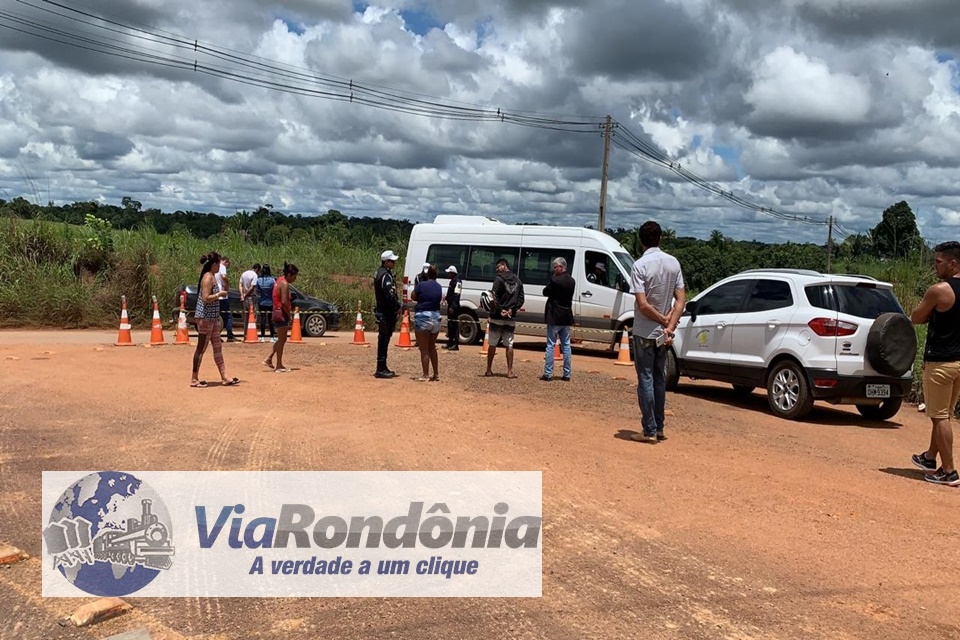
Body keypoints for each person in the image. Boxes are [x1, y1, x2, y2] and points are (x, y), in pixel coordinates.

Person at [629, 221, 685, 443]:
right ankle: (659, 427)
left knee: (646, 379)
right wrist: (669, 325)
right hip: (663, 335)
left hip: (644, 331)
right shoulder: (673, 263)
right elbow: (681, 299)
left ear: (641, 240)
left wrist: (662, 319)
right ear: (660, 238)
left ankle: (649, 429)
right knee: (659, 380)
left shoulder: (640, 266)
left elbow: (642, 305)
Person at [910, 240, 960, 486]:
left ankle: (949, 471)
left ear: (953, 263)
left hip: (940, 361)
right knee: (944, 415)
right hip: (959, 363)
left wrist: (930, 311)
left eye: (939, 262)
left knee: (939, 417)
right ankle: (930, 457)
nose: (934, 266)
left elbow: (916, 317)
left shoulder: (940, 290)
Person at [191, 252, 239, 388]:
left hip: (212, 318)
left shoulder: (212, 277)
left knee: (217, 347)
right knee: (201, 348)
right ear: (213, 265)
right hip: (205, 317)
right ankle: (194, 378)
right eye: (218, 264)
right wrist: (218, 295)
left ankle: (224, 376)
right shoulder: (207, 278)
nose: (219, 266)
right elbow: (206, 298)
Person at [485, 258, 524, 379]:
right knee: (509, 344)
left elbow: (493, 296)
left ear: (504, 266)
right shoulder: (518, 281)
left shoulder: (498, 280)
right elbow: (521, 299)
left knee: (492, 343)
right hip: (510, 317)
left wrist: (500, 309)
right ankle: (510, 371)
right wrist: (512, 310)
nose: (497, 270)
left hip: (497, 316)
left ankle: (489, 370)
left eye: (498, 267)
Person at [541, 257, 575, 381]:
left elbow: (545, 292)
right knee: (566, 345)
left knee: (550, 344)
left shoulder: (554, 280)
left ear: (562, 267)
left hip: (554, 316)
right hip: (566, 316)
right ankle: (567, 374)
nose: (554, 269)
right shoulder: (572, 281)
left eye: (556, 266)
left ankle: (548, 373)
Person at [264, 262, 299, 373]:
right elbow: (284, 302)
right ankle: (278, 365)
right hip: (281, 313)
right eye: (294, 276)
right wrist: (289, 315)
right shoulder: (284, 284)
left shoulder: (278, 280)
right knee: (282, 340)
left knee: (280, 339)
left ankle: (269, 358)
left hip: (276, 311)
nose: (295, 278)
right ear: (289, 274)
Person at [374, 250, 403, 379]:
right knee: (384, 339)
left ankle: (382, 367)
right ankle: (381, 368)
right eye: (392, 261)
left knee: (384, 339)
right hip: (385, 312)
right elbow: (388, 295)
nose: (394, 263)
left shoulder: (380, 273)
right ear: (386, 262)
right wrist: (397, 305)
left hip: (383, 311)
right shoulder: (385, 275)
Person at [412, 265, 443, 381]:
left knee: (423, 348)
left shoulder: (421, 285)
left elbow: (413, 296)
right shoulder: (439, 287)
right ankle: (436, 374)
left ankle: (425, 375)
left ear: (426, 274)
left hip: (423, 317)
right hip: (436, 317)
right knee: (432, 348)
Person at [216, 256, 238, 342]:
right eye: (228, 264)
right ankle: (230, 335)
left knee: (217, 317)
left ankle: (216, 335)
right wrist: (228, 284)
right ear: (226, 261)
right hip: (222, 295)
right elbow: (224, 276)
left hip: (215, 295)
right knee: (228, 316)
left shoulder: (215, 267)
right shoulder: (222, 267)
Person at [443, 266, 462, 351]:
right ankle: (450, 342)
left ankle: (455, 343)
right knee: (450, 324)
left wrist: (452, 307)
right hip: (450, 305)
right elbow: (451, 294)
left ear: (453, 273)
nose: (447, 274)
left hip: (454, 306)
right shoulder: (452, 282)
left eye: (449, 273)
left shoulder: (458, 282)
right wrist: (446, 298)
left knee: (454, 325)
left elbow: (457, 295)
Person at [256, 264, 277, 342]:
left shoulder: (259, 280)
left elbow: (257, 290)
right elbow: (275, 290)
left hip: (262, 302)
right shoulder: (272, 280)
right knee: (271, 319)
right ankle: (272, 337)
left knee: (263, 319)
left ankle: (262, 337)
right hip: (270, 302)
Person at [239, 263, 261, 328]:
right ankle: (252, 333)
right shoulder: (255, 275)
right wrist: (245, 295)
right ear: (257, 269)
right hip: (251, 297)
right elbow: (252, 287)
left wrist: (242, 295)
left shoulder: (244, 273)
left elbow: (240, 284)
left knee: (246, 316)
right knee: (253, 315)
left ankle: (245, 334)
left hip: (245, 298)